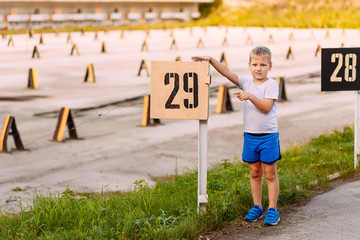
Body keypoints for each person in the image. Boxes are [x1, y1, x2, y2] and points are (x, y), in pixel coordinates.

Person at [192, 46, 281, 225]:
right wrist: (211, 59)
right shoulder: (246, 82)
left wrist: (249, 97)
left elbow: (266, 108)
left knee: (270, 173)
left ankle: (273, 209)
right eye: (255, 64)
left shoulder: (271, 84)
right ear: (249, 65)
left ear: (270, 66)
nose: (258, 68)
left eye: (263, 65)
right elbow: (227, 73)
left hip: (268, 137)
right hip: (250, 136)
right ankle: (257, 206)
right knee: (254, 172)